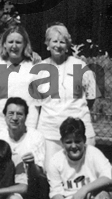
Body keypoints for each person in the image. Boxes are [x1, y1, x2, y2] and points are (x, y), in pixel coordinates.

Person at [43, 117, 112, 199]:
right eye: (69, 142)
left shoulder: (93, 153)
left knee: (102, 195)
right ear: (62, 142)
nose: (74, 146)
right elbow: (55, 191)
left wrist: (85, 189)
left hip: (90, 198)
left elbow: (109, 176)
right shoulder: (55, 160)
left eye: (78, 141)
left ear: (85, 140)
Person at [36, 23, 98, 165]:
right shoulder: (39, 69)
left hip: (80, 130)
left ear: (68, 45)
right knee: (50, 171)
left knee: (84, 170)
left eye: (62, 42)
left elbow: (91, 97)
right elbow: (36, 103)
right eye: (54, 41)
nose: (58, 45)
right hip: (49, 132)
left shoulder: (80, 66)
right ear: (47, 44)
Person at [0, 97, 49, 199]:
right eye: (11, 113)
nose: (14, 118)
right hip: (5, 185)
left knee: (42, 182)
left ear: (26, 117)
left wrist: (31, 165)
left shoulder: (36, 137)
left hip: (29, 185)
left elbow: (39, 173)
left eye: (19, 114)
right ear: (4, 115)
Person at [0, 24, 40, 134]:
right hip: (0, 127)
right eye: (10, 42)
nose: (14, 46)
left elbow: (39, 102)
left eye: (18, 42)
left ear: (25, 44)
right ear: (4, 44)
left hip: (28, 128)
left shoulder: (34, 65)